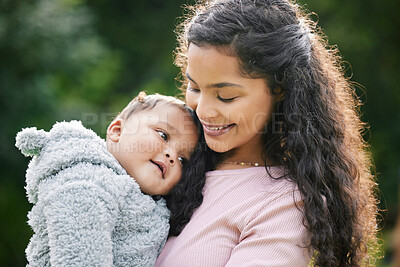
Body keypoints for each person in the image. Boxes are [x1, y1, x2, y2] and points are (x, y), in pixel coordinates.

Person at [156, 0, 379, 266]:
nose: (203, 110)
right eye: (194, 88)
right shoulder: (172, 159)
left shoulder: (284, 206)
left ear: (280, 89)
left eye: (225, 96)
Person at [15, 92, 200, 266]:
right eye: (163, 135)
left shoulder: (156, 209)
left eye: (183, 159)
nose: (172, 156)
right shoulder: (87, 179)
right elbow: (80, 252)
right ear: (117, 131)